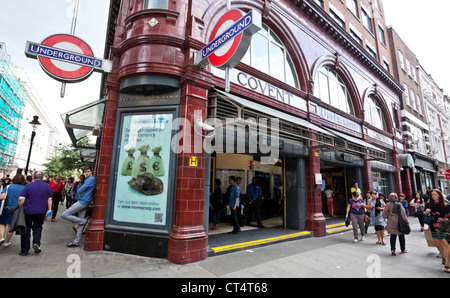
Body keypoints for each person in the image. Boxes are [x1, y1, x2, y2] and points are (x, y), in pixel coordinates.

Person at [18, 171, 53, 256]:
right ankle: (36, 243)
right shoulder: (47, 186)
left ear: (33, 177)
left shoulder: (28, 186)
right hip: (41, 211)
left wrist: (20, 207)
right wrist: (49, 210)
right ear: (43, 177)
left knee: (26, 229)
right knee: (38, 226)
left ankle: (24, 250)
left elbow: (21, 199)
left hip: (28, 211)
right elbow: (49, 199)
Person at [61, 166, 97, 247]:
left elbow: (81, 189)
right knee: (80, 223)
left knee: (64, 215)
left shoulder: (91, 179)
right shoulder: (90, 179)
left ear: (91, 171)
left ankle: (83, 221)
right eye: (85, 171)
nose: (86, 173)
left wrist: (80, 191)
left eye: (88, 171)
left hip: (82, 201)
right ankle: (76, 242)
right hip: (84, 201)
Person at [424, 189, 450, 273]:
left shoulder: (446, 204)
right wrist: (426, 212)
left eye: (435, 194)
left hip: (445, 225)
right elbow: (423, 213)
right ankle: (444, 256)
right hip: (434, 226)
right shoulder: (429, 204)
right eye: (432, 195)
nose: (433, 196)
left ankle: (447, 264)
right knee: (438, 244)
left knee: (445, 244)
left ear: (439, 195)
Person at [0, 174, 25, 247]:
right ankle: (7, 242)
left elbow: (2, 197)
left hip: (6, 208)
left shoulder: (8, 187)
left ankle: (1, 237)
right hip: (17, 210)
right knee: (11, 227)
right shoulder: (24, 188)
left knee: (2, 224)